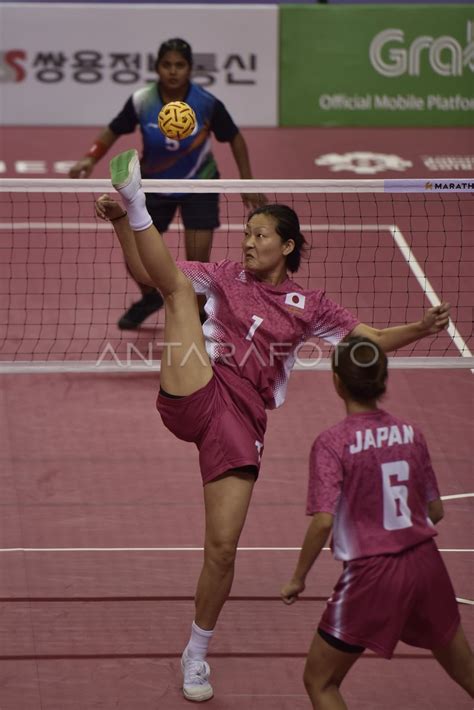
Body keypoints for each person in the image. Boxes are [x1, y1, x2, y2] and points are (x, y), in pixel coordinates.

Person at [97, 147, 451, 703]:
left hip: (242, 421)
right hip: (195, 388)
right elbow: (152, 274)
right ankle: (135, 198)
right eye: (247, 234)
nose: (248, 242)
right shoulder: (223, 275)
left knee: (222, 548)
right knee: (177, 293)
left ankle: (195, 654)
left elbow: (374, 340)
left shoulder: (310, 305)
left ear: (287, 245)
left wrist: (421, 328)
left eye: (260, 235)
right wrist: (124, 222)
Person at [281, 336, 473, 709]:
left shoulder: (333, 443)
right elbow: (435, 511)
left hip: (372, 574)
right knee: (466, 671)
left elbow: (323, 521)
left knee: (320, 681)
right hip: (426, 565)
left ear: (337, 381)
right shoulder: (411, 433)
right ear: (383, 379)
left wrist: (298, 577)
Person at [70, 37, 265, 328]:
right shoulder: (142, 100)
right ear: (157, 67)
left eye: (180, 65)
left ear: (189, 69)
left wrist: (247, 182)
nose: (173, 71)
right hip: (153, 186)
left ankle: (198, 318)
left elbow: (235, 137)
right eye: (167, 65)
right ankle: (150, 297)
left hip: (200, 186)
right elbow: (113, 130)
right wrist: (89, 158)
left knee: (198, 265)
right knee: (135, 255)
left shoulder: (207, 103)